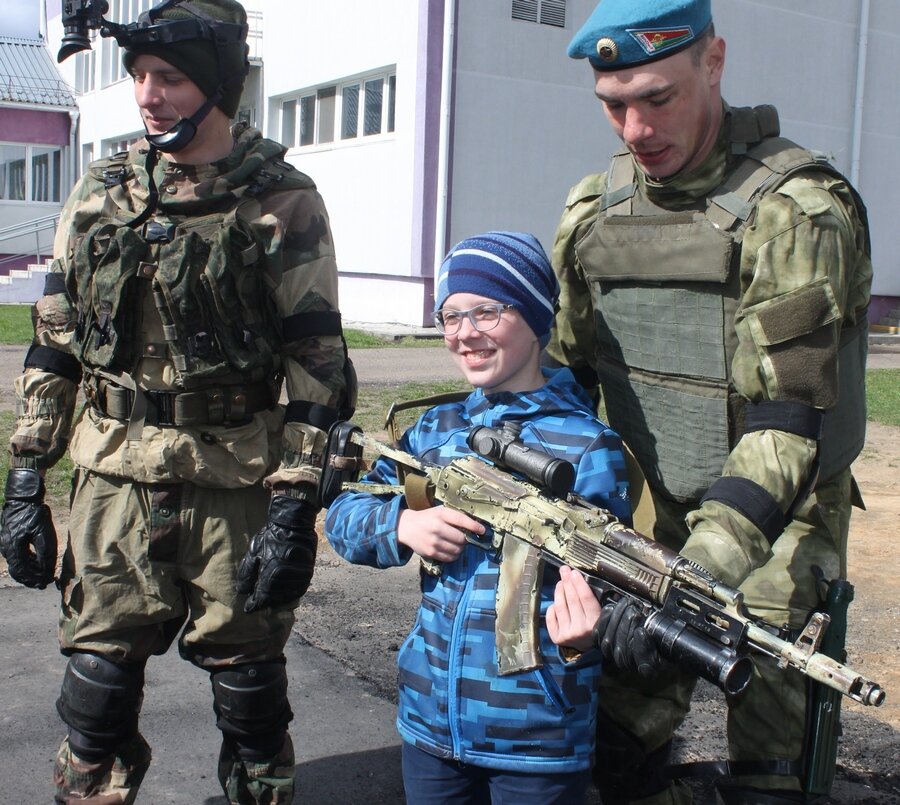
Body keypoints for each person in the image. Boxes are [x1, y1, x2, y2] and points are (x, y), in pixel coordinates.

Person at [0, 1, 354, 802]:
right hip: (113, 475)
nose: (147, 96)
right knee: (94, 689)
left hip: (233, 480)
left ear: (218, 85)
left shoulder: (281, 199)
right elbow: (55, 339)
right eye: (138, 76)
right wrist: (26, 475)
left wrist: (295, 506)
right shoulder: (101, 192)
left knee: (250, 689)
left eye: (169, 77)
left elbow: (318, 365)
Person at [546, 0, 873, 803]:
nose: (635, 128)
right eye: (613, 105)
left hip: (778, 521)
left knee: (771, 778)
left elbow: (787, 426)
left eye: (657, 98)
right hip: (649, 514)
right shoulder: (594, 211)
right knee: (606, 754)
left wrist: (688, 581)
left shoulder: (794, 213)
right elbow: (564, 380)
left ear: (714, 62)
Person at [325, 231, 631, 804]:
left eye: (487, 311)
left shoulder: (589, 448)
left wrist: (588, 634)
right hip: (429, 724)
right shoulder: (435, 431)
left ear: (535, 318)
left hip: (539, 739)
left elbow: (616, 588)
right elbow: (344, 513)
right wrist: (400, 524)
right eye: (450, 316)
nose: (464, 333)